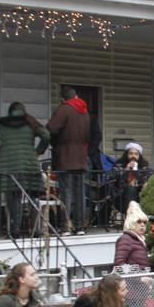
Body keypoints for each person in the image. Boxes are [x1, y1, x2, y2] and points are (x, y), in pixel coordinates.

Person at [0, 102, 51, 237]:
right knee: (33, 195)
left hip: (10, 166)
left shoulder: (3, 125)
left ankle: (15, 230)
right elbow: (46, 135)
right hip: (29, 164)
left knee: (14, 196)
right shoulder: (30, 122)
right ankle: (35, 230)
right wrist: (38, 151)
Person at [46, 87, 90, 235]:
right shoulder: (84, 111)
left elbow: (51, 128)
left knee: (67, 192)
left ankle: (65, 226)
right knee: (80, 193)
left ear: (63, 99)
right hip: (82, 156)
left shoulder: (64, 109)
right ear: (76, 97)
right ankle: (80, 226)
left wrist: (54, 143)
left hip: (66, 156)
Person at [113, 202, 151, 307]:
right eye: (138, 222)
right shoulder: (126, 239)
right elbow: (119, 264)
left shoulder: (138, 239)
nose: (142, 225)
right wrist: (139, 277)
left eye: (144, 222)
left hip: (138, 291)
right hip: (130, 291)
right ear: (131, 223)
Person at [113, 142, 149, 213]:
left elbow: (145, 181)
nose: (133, 156)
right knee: (131, 189)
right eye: (131, 153)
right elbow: (116, 180)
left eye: (136, 154)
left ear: (139, 156)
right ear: (126, 155)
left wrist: (136, 172)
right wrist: (126, 170)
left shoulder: (144, 168)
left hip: (140, 196)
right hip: (122, 197)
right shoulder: (119, 166)